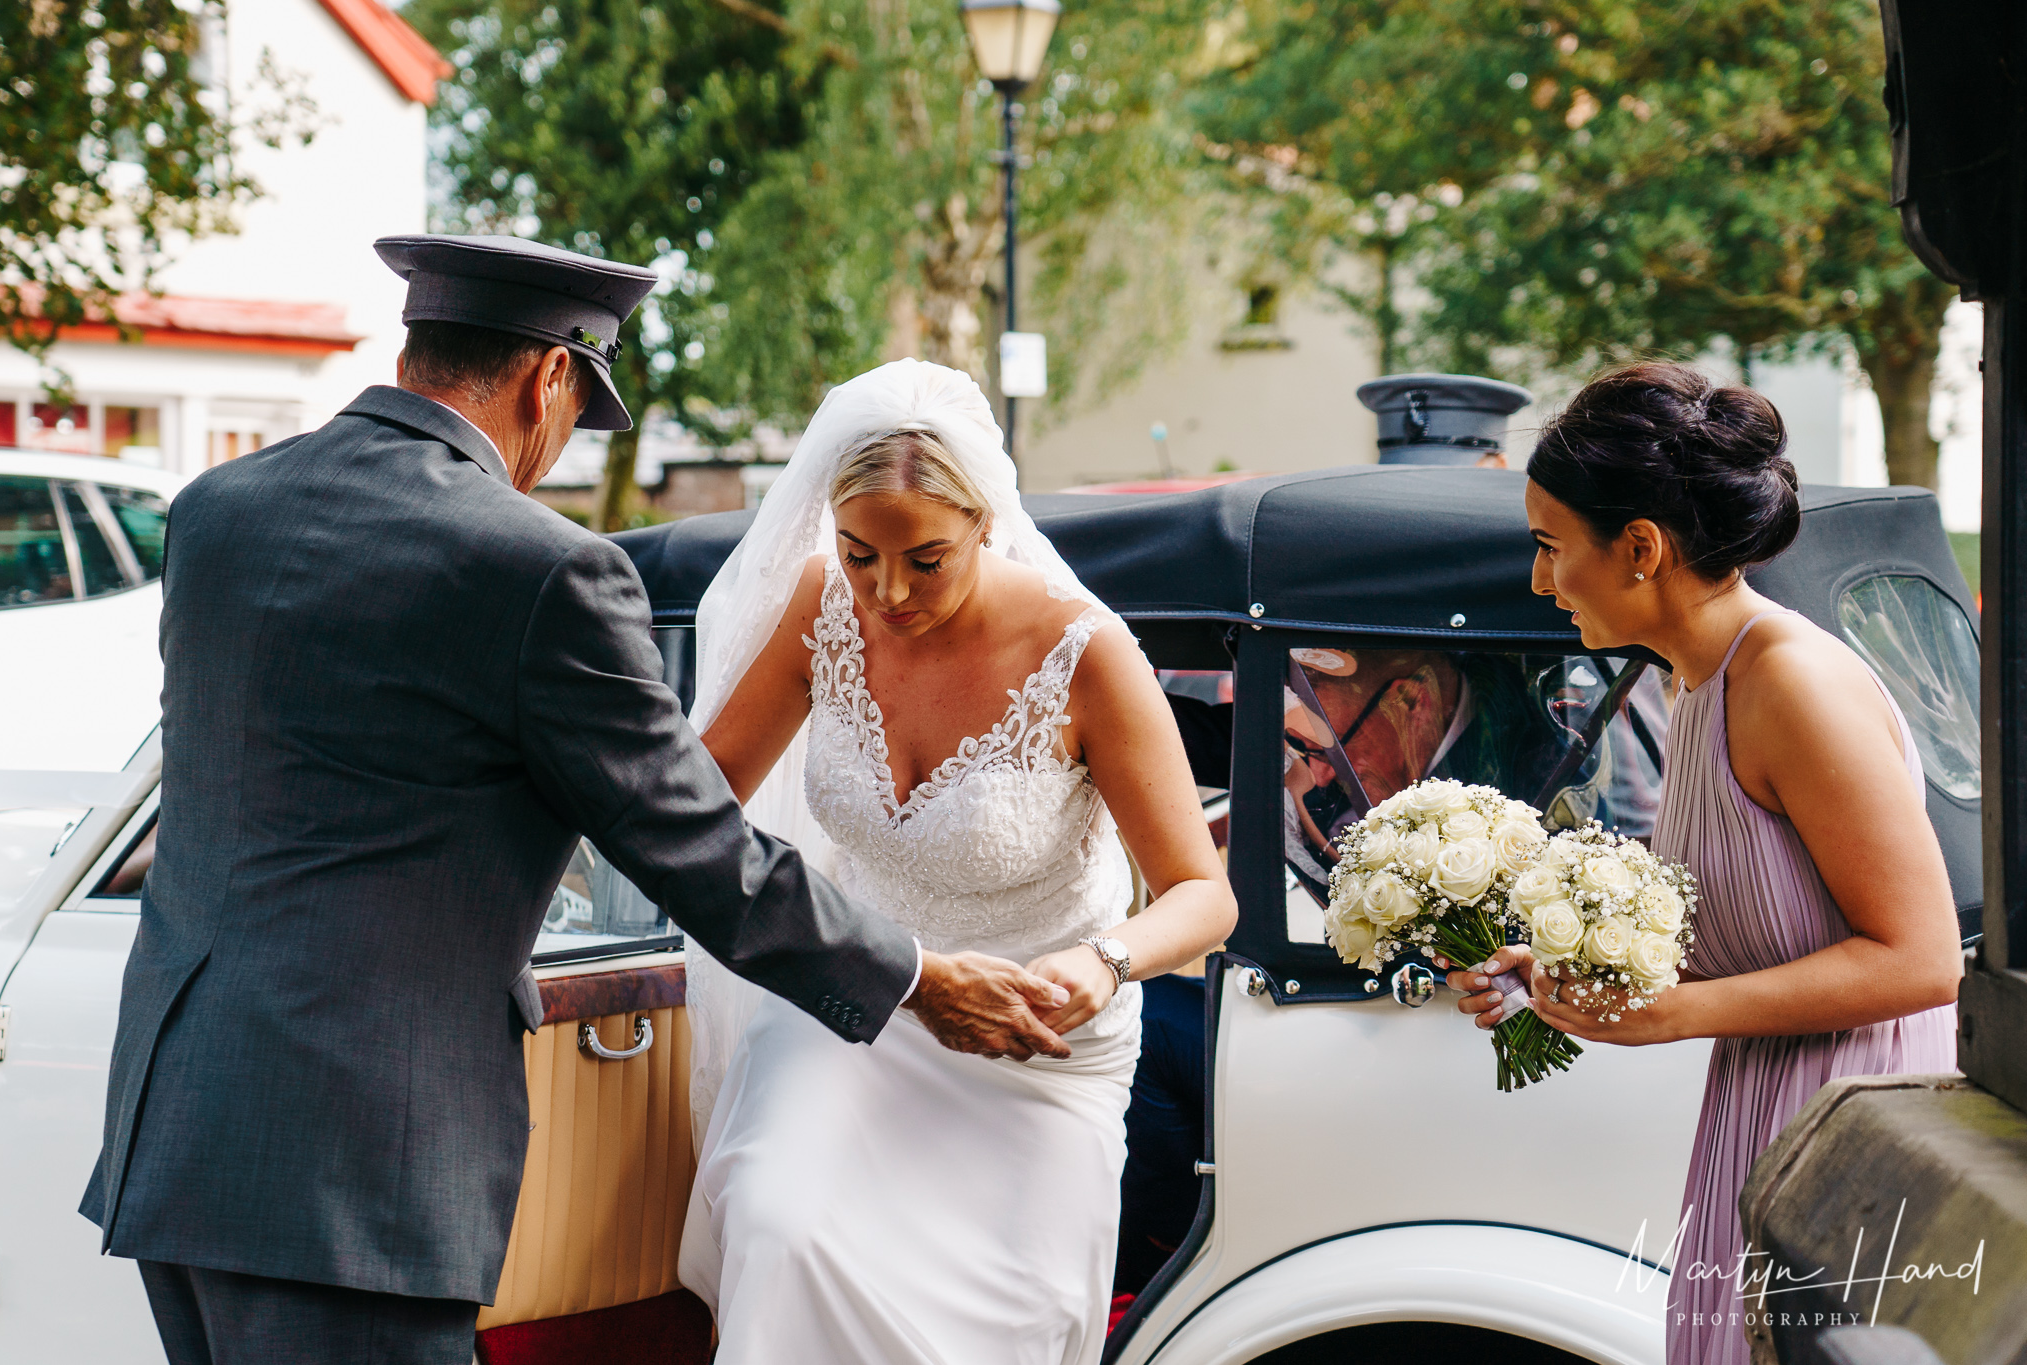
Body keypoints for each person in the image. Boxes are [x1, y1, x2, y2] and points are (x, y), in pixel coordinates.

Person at [80, 236, 1067, 1365]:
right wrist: (918, 977)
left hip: (179, 1120)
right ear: (550, 378)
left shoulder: (217, 512)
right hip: (357, 1167)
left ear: (418, 346)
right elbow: (693, 844)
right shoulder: (539, 568)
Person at [678, 359, 1238, 1363]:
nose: (886, 592)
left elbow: (1201, 895)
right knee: (778, 1218)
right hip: (861, 1006)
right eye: (857, 556)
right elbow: (692, 795)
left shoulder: (1085, 654)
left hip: (1032, 1037)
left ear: (985, 522)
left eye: (924, 560)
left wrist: (1102, 960)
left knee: (1000, 1318)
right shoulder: (821, 607)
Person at [1443, 362, 1962, 1365]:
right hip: (1766, 1105)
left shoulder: (1790, 683)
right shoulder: (1696, 685)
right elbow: (1760, 924)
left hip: (1854, 1131)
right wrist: (1560, 972)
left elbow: (1918, 960)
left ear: (1639, 548)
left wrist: (1672, 1015)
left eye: (1550, 548)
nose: (1538, 582)